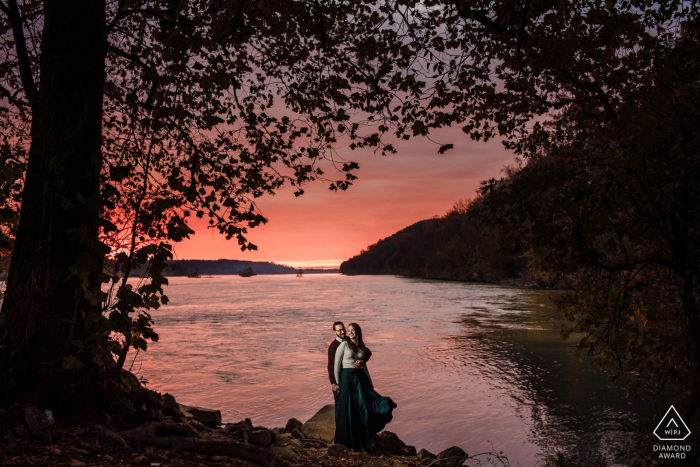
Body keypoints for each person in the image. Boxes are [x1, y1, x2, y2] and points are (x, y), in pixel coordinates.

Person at [333, 323, 396, 451]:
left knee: (363, 407)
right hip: (347, 378)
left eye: (352, 330)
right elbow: (336, 364)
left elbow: (364, 365)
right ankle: (345, 441)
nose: (349, 332)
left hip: (360, 379)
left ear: (357, 332)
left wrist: (370, 381)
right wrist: (337, 383)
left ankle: (361, 439)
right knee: (348, 409)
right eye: (348, 330)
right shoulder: (343, 345)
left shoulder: (362, 346)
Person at [328, 321, 372, 420]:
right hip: (340, 380)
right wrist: (334, 383)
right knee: (339, 406)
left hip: (352, 380)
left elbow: (368, 352)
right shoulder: (333, 346)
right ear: (335, 332)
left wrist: (362, 361)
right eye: (339, 330)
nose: (343, 332)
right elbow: (331, 366)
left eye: (343, 329)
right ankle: (339, 431)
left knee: (354, 405)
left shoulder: (350, 340)